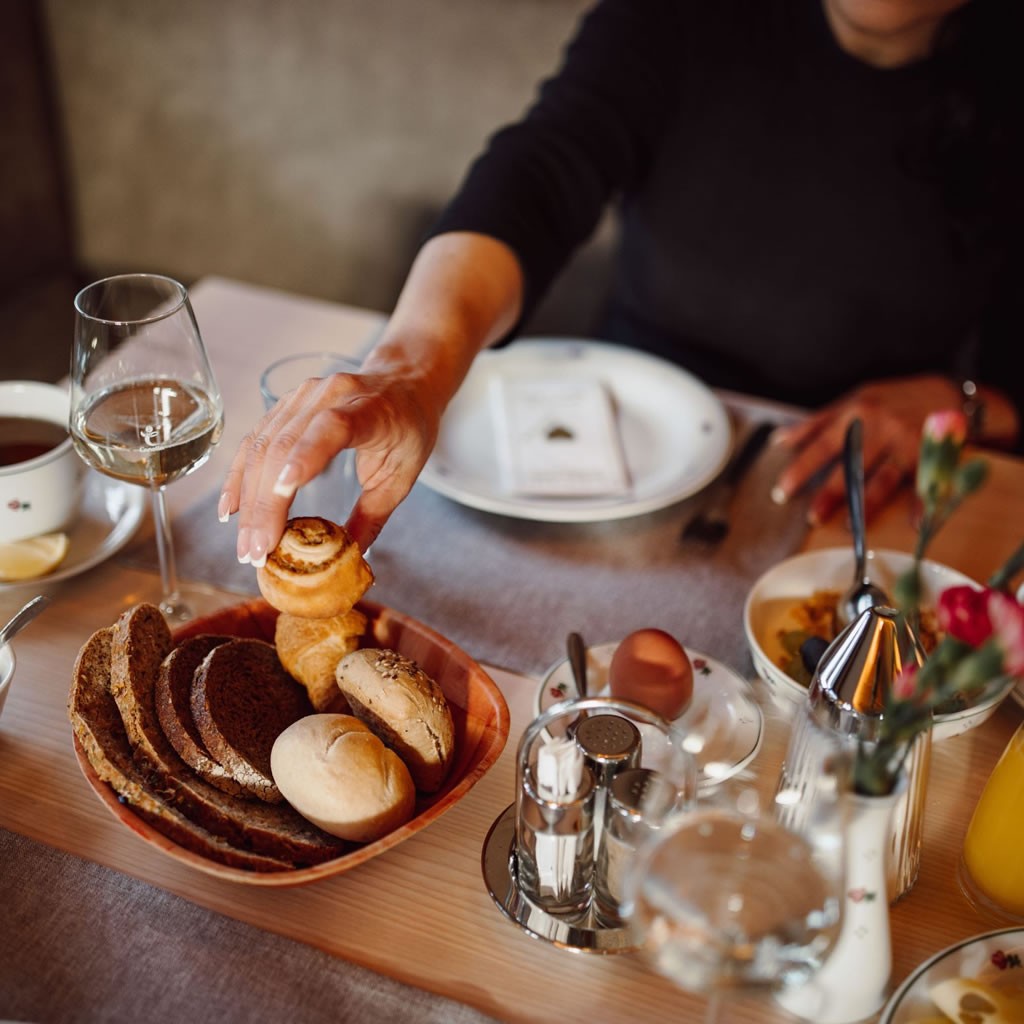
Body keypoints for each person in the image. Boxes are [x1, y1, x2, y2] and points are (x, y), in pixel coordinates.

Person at [222, 0, 1023, 565]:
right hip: (612, 468)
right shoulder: (681, 15)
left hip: (843, 497)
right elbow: (543, 170)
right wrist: (412, 368)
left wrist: (968, 401)